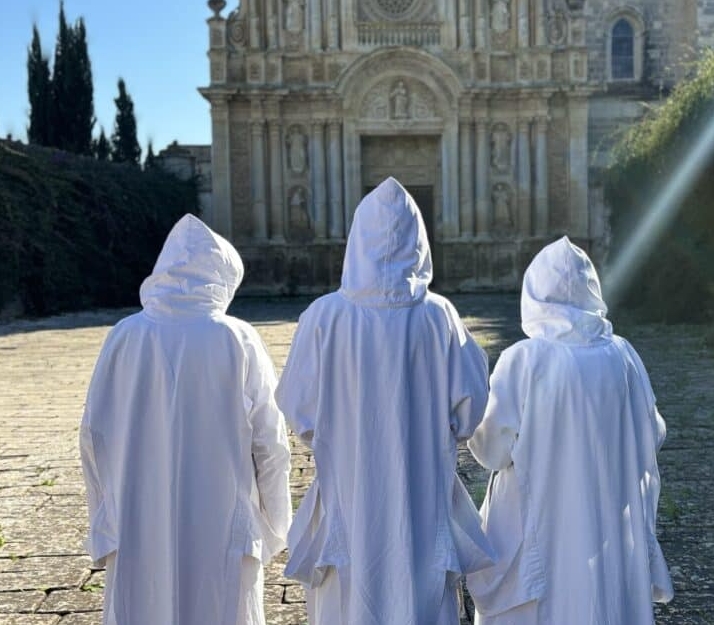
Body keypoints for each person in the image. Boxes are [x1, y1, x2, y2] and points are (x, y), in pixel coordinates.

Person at [276, 177, 495, 624]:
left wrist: (341, 433)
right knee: (420, 593)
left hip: (348, 489)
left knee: (350, 594)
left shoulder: (324, 317)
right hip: (421, 493)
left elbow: (299, 410)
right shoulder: (440, 318)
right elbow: (471, 409)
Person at [79, 214, 292, 625]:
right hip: (223, 521)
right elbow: (270, 445)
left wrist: (106, 519)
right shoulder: (237, 338)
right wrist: (273, 526)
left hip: (138, 521)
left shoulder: (124, 336)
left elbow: (92, 436)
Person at [466, 236, 673, 625]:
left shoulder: (524, 360)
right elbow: (653, 433)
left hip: (539, 528)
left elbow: (491, 451)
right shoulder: (624, 355)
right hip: (605, 526)